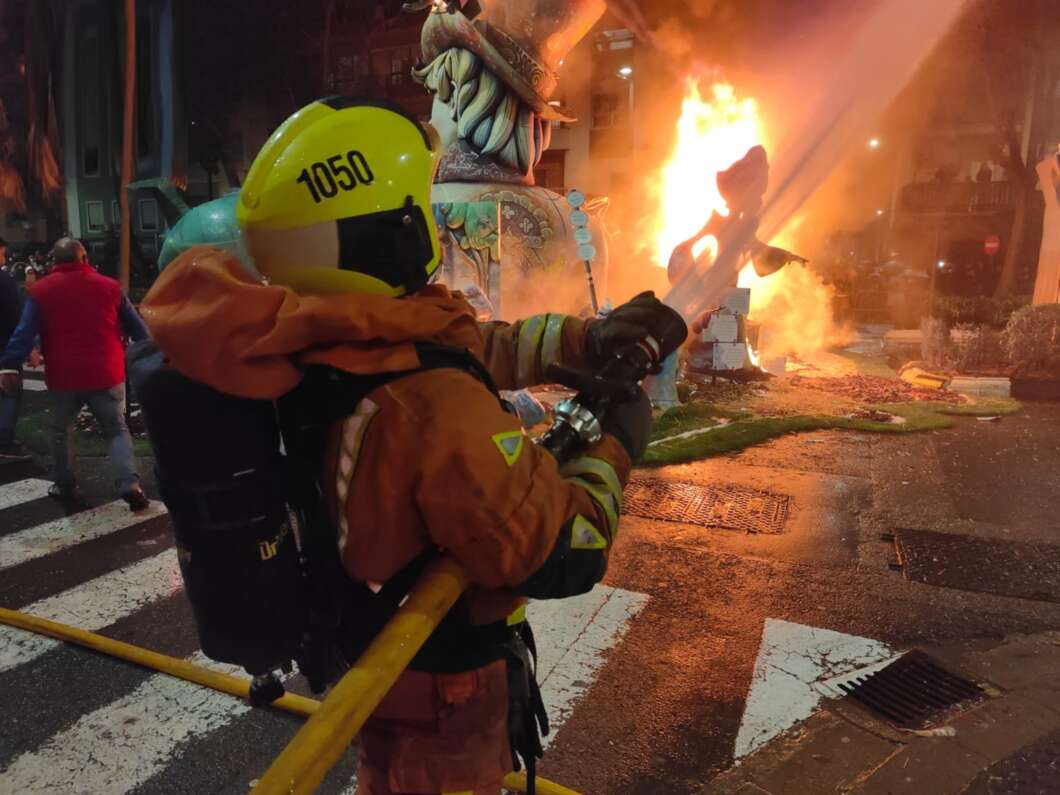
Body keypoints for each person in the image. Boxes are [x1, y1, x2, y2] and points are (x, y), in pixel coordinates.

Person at [140, 98, 677, 795]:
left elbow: (462, 345)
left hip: (382, 653)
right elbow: (558, 550)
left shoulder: (321, 336)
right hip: (445, 693)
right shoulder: (431, 407)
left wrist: (581, 341)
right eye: (417, 206)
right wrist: (614, 449)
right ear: (388, 234)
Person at [0, 238, 150, 509]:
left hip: (63, 375)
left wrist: (9, 364)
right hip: (106, 372)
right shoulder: (110, 287)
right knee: (116, 429)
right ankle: (129, 483)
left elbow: (23, 332)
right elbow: (140, 331)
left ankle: (66, 485)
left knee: (60, 431)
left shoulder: (42, 291)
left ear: (55, 261)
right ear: (84, 258)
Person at [0, 237, 31, 460]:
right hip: (4, 347)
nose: (4, 258)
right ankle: (5, 441)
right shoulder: (4, 281)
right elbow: (13, 315)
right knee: (10, 393)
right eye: (1, 253)